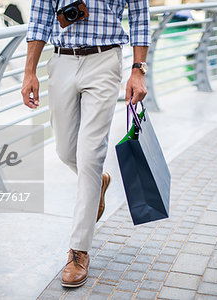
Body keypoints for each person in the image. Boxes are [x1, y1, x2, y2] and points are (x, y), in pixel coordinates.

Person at [21, 0, 151, 288]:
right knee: (66, 151)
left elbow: (140, 15)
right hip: (62, 60)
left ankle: (78, 251)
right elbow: (40, 17)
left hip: (104, 61)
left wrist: (138, 70)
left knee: (89, 155)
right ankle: (99, 181)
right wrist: (29, 72)